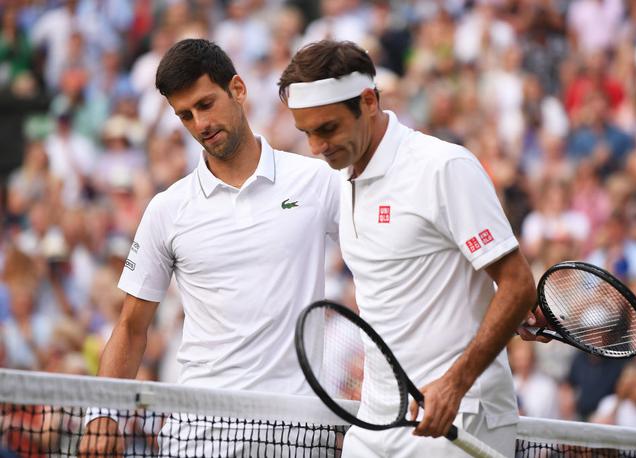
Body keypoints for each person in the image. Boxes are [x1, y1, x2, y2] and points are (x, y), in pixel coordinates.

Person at [78, 38, 340, 457]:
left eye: (205, 104)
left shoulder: (319, 181)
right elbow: (130, 327)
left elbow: (387, 254)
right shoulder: (167, 209)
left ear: (238, 89)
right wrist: (102, 415)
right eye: (185, 115)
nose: (199, 123)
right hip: (200, 437)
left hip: (301, 434)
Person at [278, 40, 537, 457]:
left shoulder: (443, 167)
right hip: (376, 416)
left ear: (367, 102)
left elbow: (518, 284)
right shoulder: (343, 175)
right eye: (306, 133)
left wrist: (456, 382)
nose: (316, 147)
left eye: (327, 129)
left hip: (460, 416)